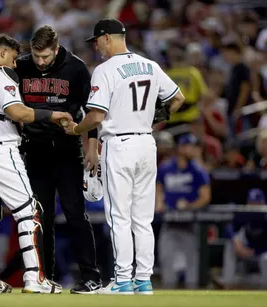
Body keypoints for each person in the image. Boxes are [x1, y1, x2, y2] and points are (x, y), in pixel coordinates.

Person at [64, 18, 185, 294]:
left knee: (120, 218)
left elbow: (95, 115)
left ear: (107, 38)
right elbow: (177, 99)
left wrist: (75, 129)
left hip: (119, 145)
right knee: (143, 219)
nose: (95, 47)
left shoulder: (105, 70)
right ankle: (143, 280)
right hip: (146, 143)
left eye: (96, 41)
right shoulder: (150, 65)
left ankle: (121, 281)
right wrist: (149, 120)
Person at [0, 34, 71, 294]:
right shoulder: (1, 75)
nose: (16, 64)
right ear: (4, 52)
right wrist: (53, 115)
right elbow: (18, 113)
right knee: (29, 212)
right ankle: (35, 278)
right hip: (0, 149)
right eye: (15, 58)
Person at [14, 25, 102, 293]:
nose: (40, 62)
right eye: (36, 56)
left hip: (66, 150)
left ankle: (91, 276)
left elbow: (91, 109)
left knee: (75, 214)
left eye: (45, 57)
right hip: (34, 150)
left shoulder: (75, 68)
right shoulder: (21, 66)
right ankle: (45, 276)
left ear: (56, 49)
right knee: (43, 217)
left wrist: (92, 147)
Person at [156, 133, 211, 289]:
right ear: (180, 148)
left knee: (191, 264)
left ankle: (192, 299)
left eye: (193, 147)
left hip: (189, 224)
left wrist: (190, 206)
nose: (191, 150)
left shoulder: (197, 170)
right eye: (188, 146)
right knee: (166, 260)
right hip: (170, 222)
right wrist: (159, 203)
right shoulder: (166, 167)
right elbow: (158, 187)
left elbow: (205, 196)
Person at [218, 188, 267, 289]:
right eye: (252, 203)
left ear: (263, 203)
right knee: (230, 246)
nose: (254, 206)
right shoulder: (245, 213)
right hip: (247, 249)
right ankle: (228, 284)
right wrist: (236, 242)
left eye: (257, 203)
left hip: (262, 252)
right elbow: (229, 228)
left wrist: (254, 251)